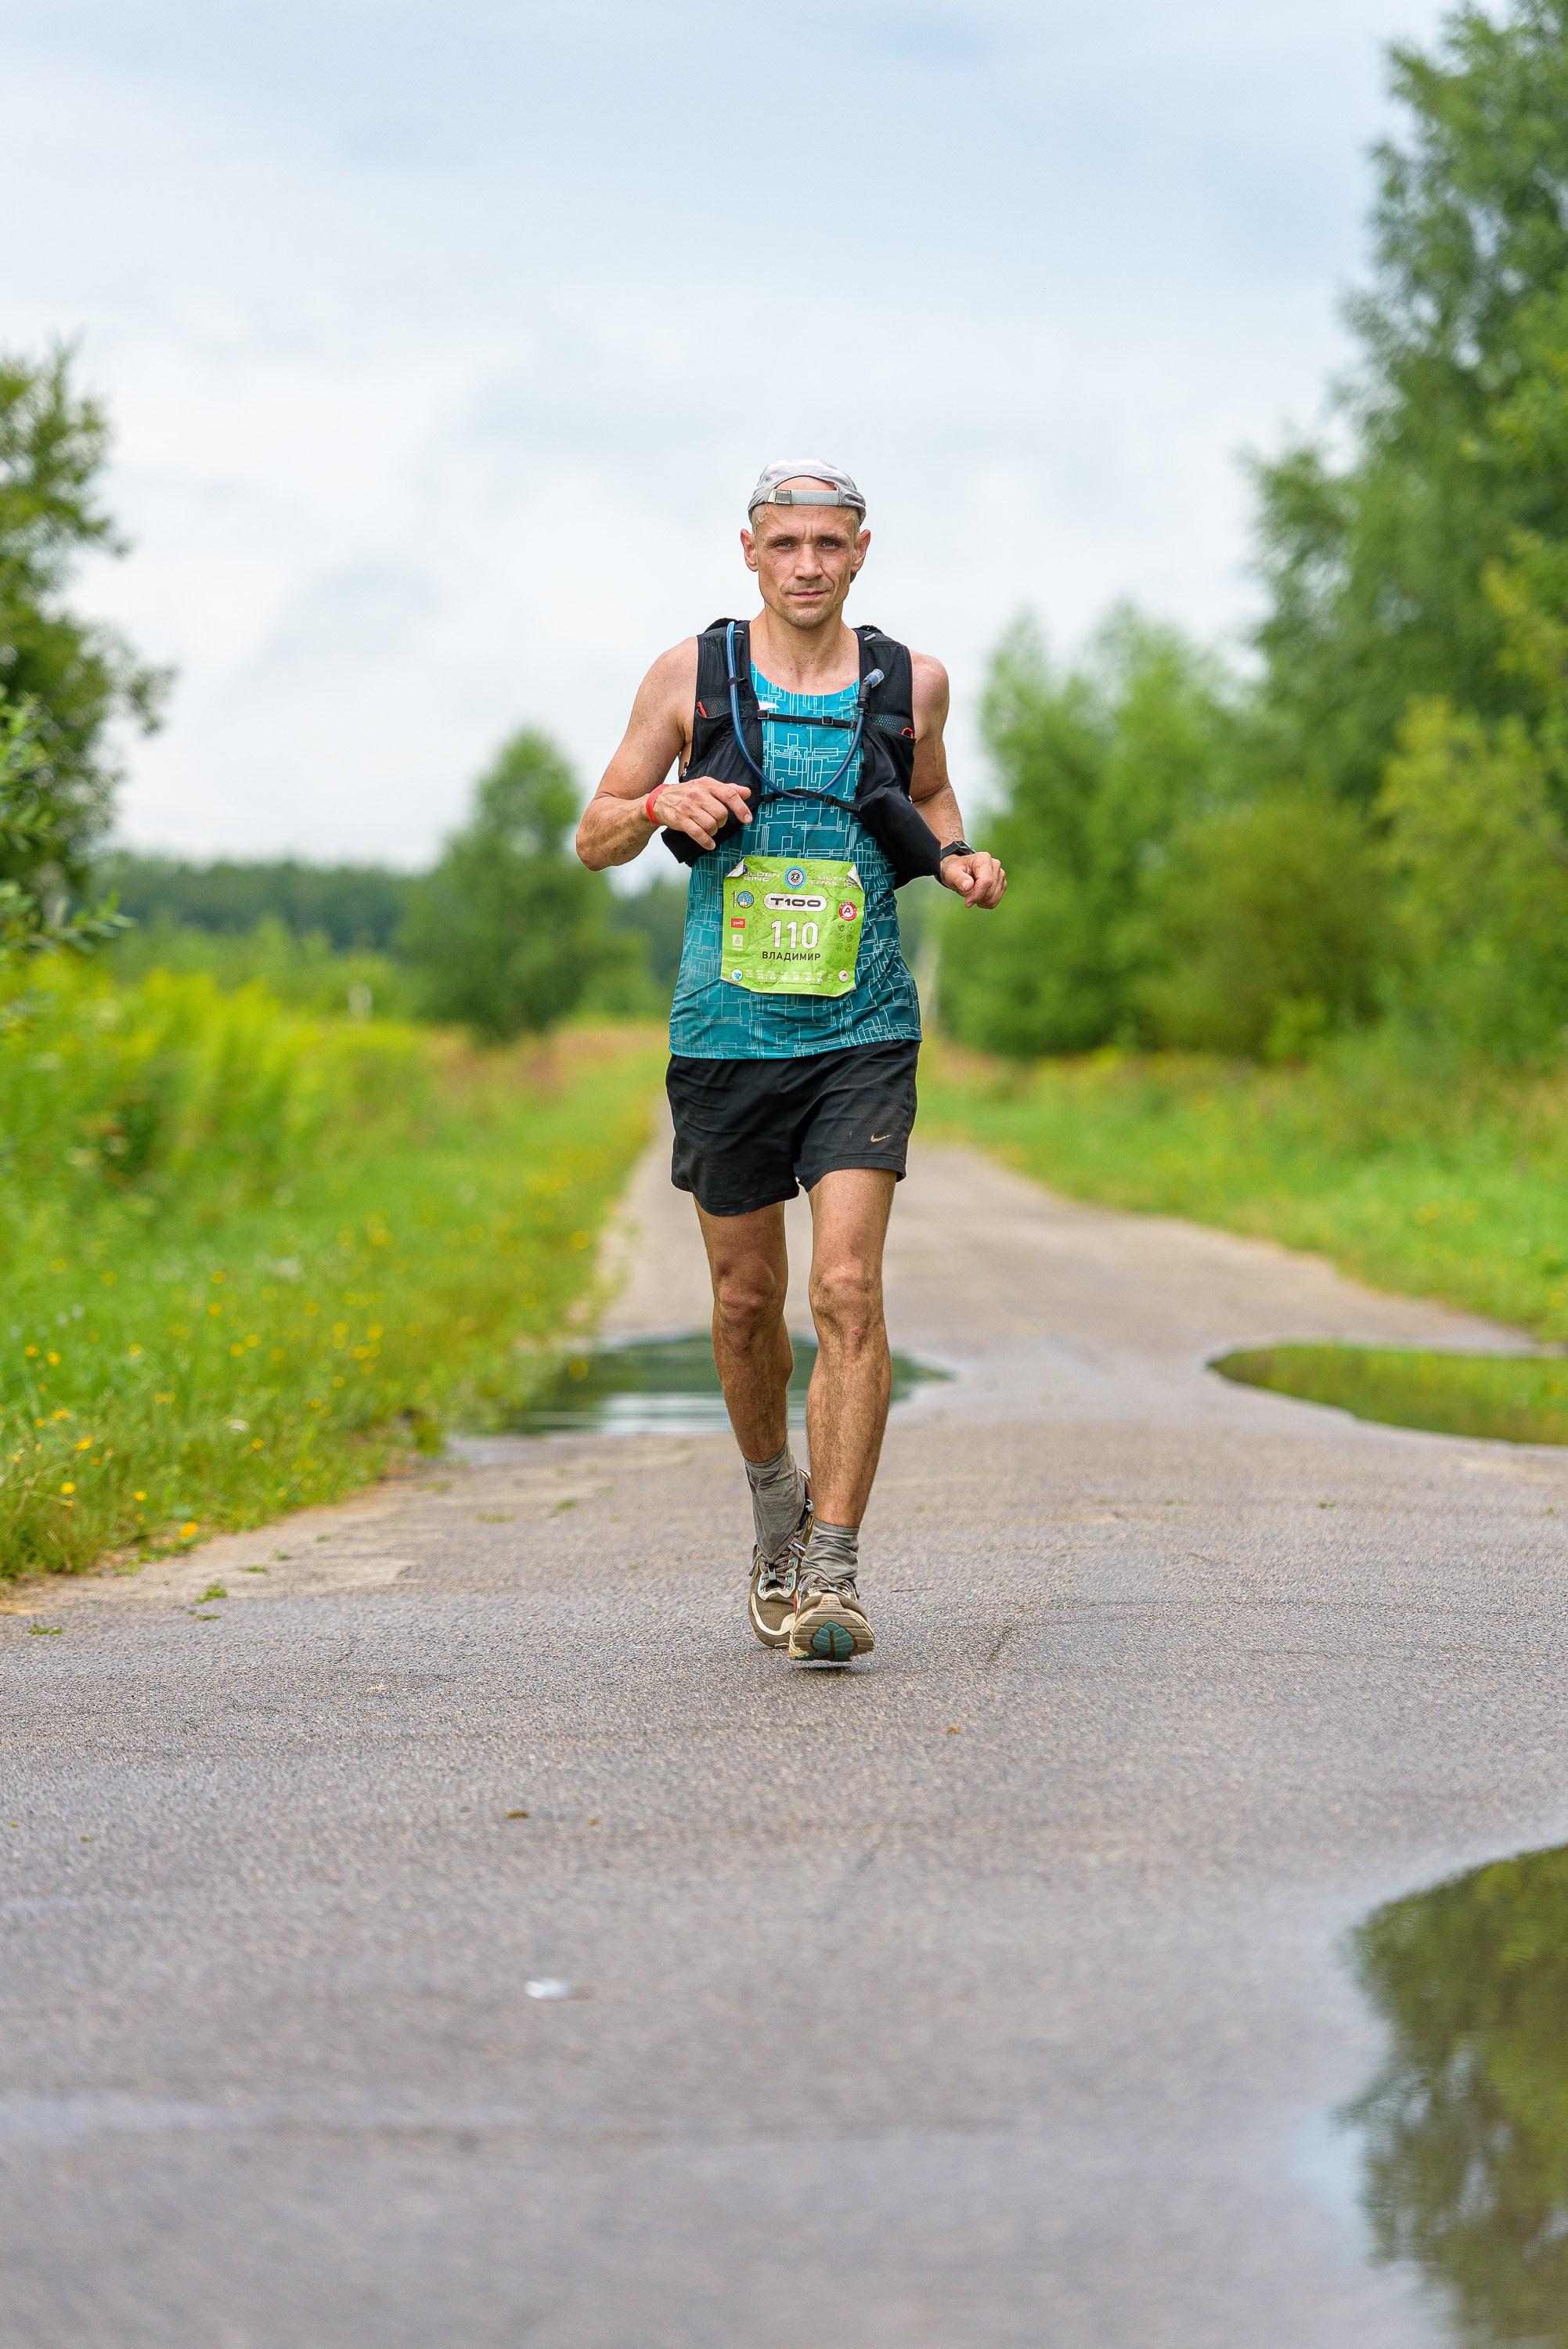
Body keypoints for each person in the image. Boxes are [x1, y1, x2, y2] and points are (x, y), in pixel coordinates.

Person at [575, 463, 1006, 1661]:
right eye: (788, 545)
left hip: (863, 1027)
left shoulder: (909, 680)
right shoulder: (691, 676)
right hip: (726, 1031)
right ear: (751, 553)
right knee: (747, 1299)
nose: (809, 564)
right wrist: (665, 802)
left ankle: (833, 1571)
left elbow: (928, 798)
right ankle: (776, 1508)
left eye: (830, 544)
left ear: (862, 553)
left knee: (848, 1291)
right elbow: (593, 835)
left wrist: (962, 858)